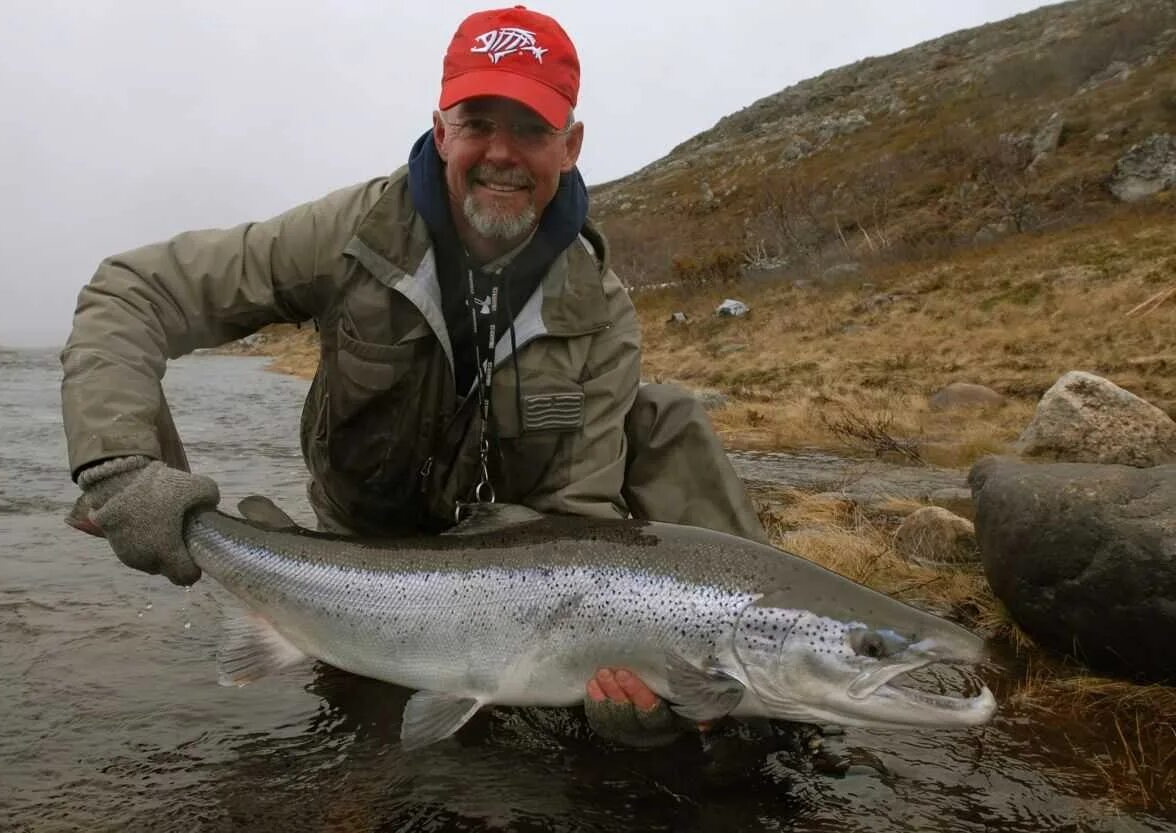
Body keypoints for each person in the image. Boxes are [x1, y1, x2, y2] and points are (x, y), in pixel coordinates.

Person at [62, 5, 766, 749]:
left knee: (663, 416)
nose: (502, 152)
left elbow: (577, 520)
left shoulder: (600, 310)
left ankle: (732, 693)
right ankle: (301, 619)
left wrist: (626, 676)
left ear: (570, 145)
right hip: (350, 551)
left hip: (511, 568)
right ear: (440, 132)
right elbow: (135, 290)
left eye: (530, 129)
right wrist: (119, 464)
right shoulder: (353, 234)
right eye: (477, 123)